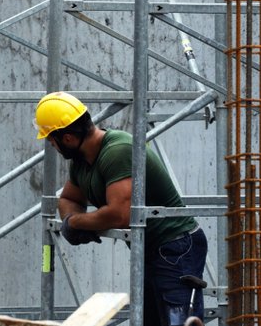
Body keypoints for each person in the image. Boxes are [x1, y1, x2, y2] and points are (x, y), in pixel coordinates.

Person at [35, 91, 208, 326]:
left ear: (67, 138)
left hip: (176, 247)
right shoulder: (82, 161)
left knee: (177, 321)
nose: (51, 145)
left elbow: (120, 215)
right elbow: (67, 199)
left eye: (50, 139)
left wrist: (75, 223)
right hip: (151, 249)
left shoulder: (117, 151)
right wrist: (75, 218)